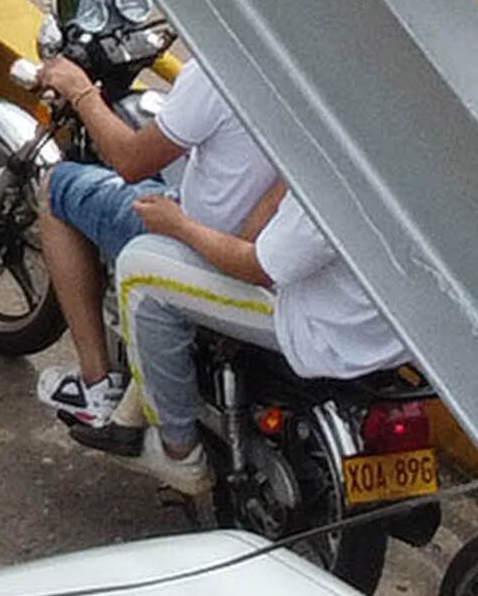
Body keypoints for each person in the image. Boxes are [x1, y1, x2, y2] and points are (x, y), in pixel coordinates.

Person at [23, 40, 406, 500]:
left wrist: (81, 92)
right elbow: (281, 189)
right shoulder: (343, 110)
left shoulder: (231, 77)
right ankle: (138, 400)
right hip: (387, 331)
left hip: (312, 320)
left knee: (138, 267)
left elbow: (259, 265)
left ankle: (168, 443)